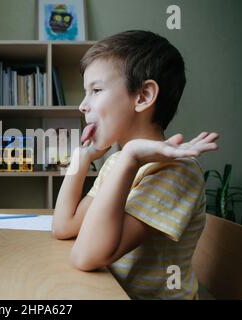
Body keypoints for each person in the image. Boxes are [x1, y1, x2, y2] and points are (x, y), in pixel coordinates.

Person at [52, 30, 219, 300]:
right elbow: (64, 227)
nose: (82, 105)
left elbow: (86, 256)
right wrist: (82, 159)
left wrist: (129, 157)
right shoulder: (117, 162)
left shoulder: (176, 171)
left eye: (95, 90)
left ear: (143, 96)